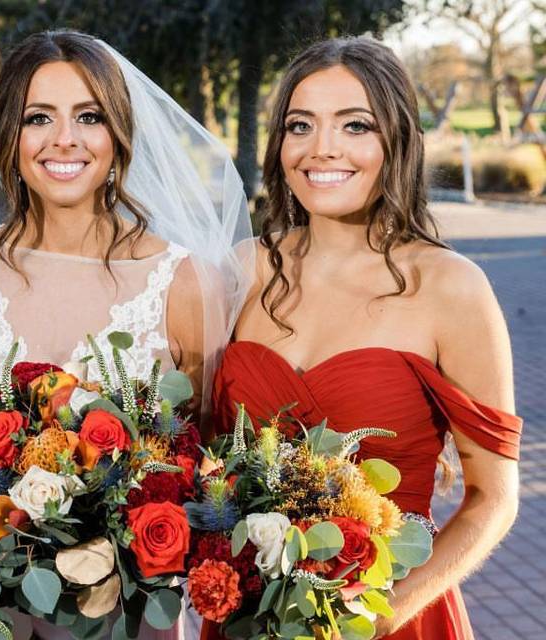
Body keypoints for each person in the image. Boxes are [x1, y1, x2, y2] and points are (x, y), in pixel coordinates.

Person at [0, 30, 251, 639]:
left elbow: (203, 452)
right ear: (7, 136)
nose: (63, 139)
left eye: (89, 116)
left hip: (122, 613)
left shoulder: (182, 283)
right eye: (38, 117)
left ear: (119, 136)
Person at [205, 37, 521, 640]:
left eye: (355, 125)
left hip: (387, 619)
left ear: (395, 142)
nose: (322, 148)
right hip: (251, 619)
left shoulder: (452, 288)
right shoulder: (241, 270)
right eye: (301, 125)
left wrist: (369, 622)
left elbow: (494, 499)